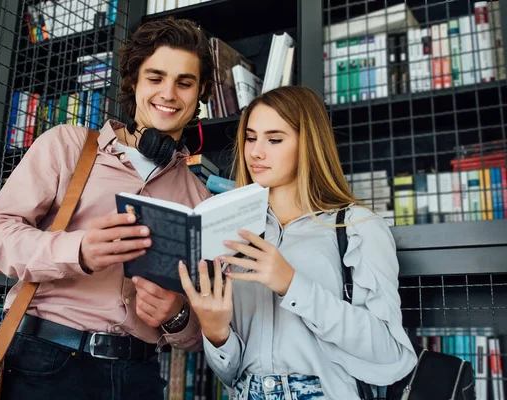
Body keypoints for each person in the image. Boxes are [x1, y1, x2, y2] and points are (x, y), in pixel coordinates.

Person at [0, 16, 214, 399]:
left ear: (200, 93)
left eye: (184, 82)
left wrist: (178, 315)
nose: (168, 93)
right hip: (44, 364)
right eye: (155, 78)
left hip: (140, 376)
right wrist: (78, 250)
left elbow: (209, 333)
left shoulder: (202, 199)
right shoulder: (67, 146)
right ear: (133, 82)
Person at [179, 86, 418, 399]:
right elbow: (229, 374)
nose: (256, 152)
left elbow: (392, 356)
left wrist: (292, 284)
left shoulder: (357, 227)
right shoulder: (232, 233)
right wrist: (216, 333)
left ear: (308, 145)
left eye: (274, 139)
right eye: (251, 137)